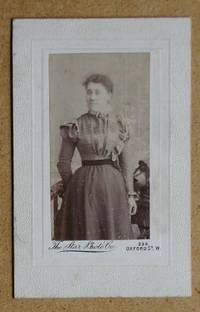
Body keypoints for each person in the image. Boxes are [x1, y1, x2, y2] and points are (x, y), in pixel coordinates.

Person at [54, 73, 137, 240]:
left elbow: (126, 164)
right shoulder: (75, 125)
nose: (92, 97)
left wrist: (130, 195)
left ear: (109, 95)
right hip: (83, 190)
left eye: (97, 92)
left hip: (113, 189)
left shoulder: (120, 125)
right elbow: (63, 163)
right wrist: (75, 189)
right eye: (89, 92)